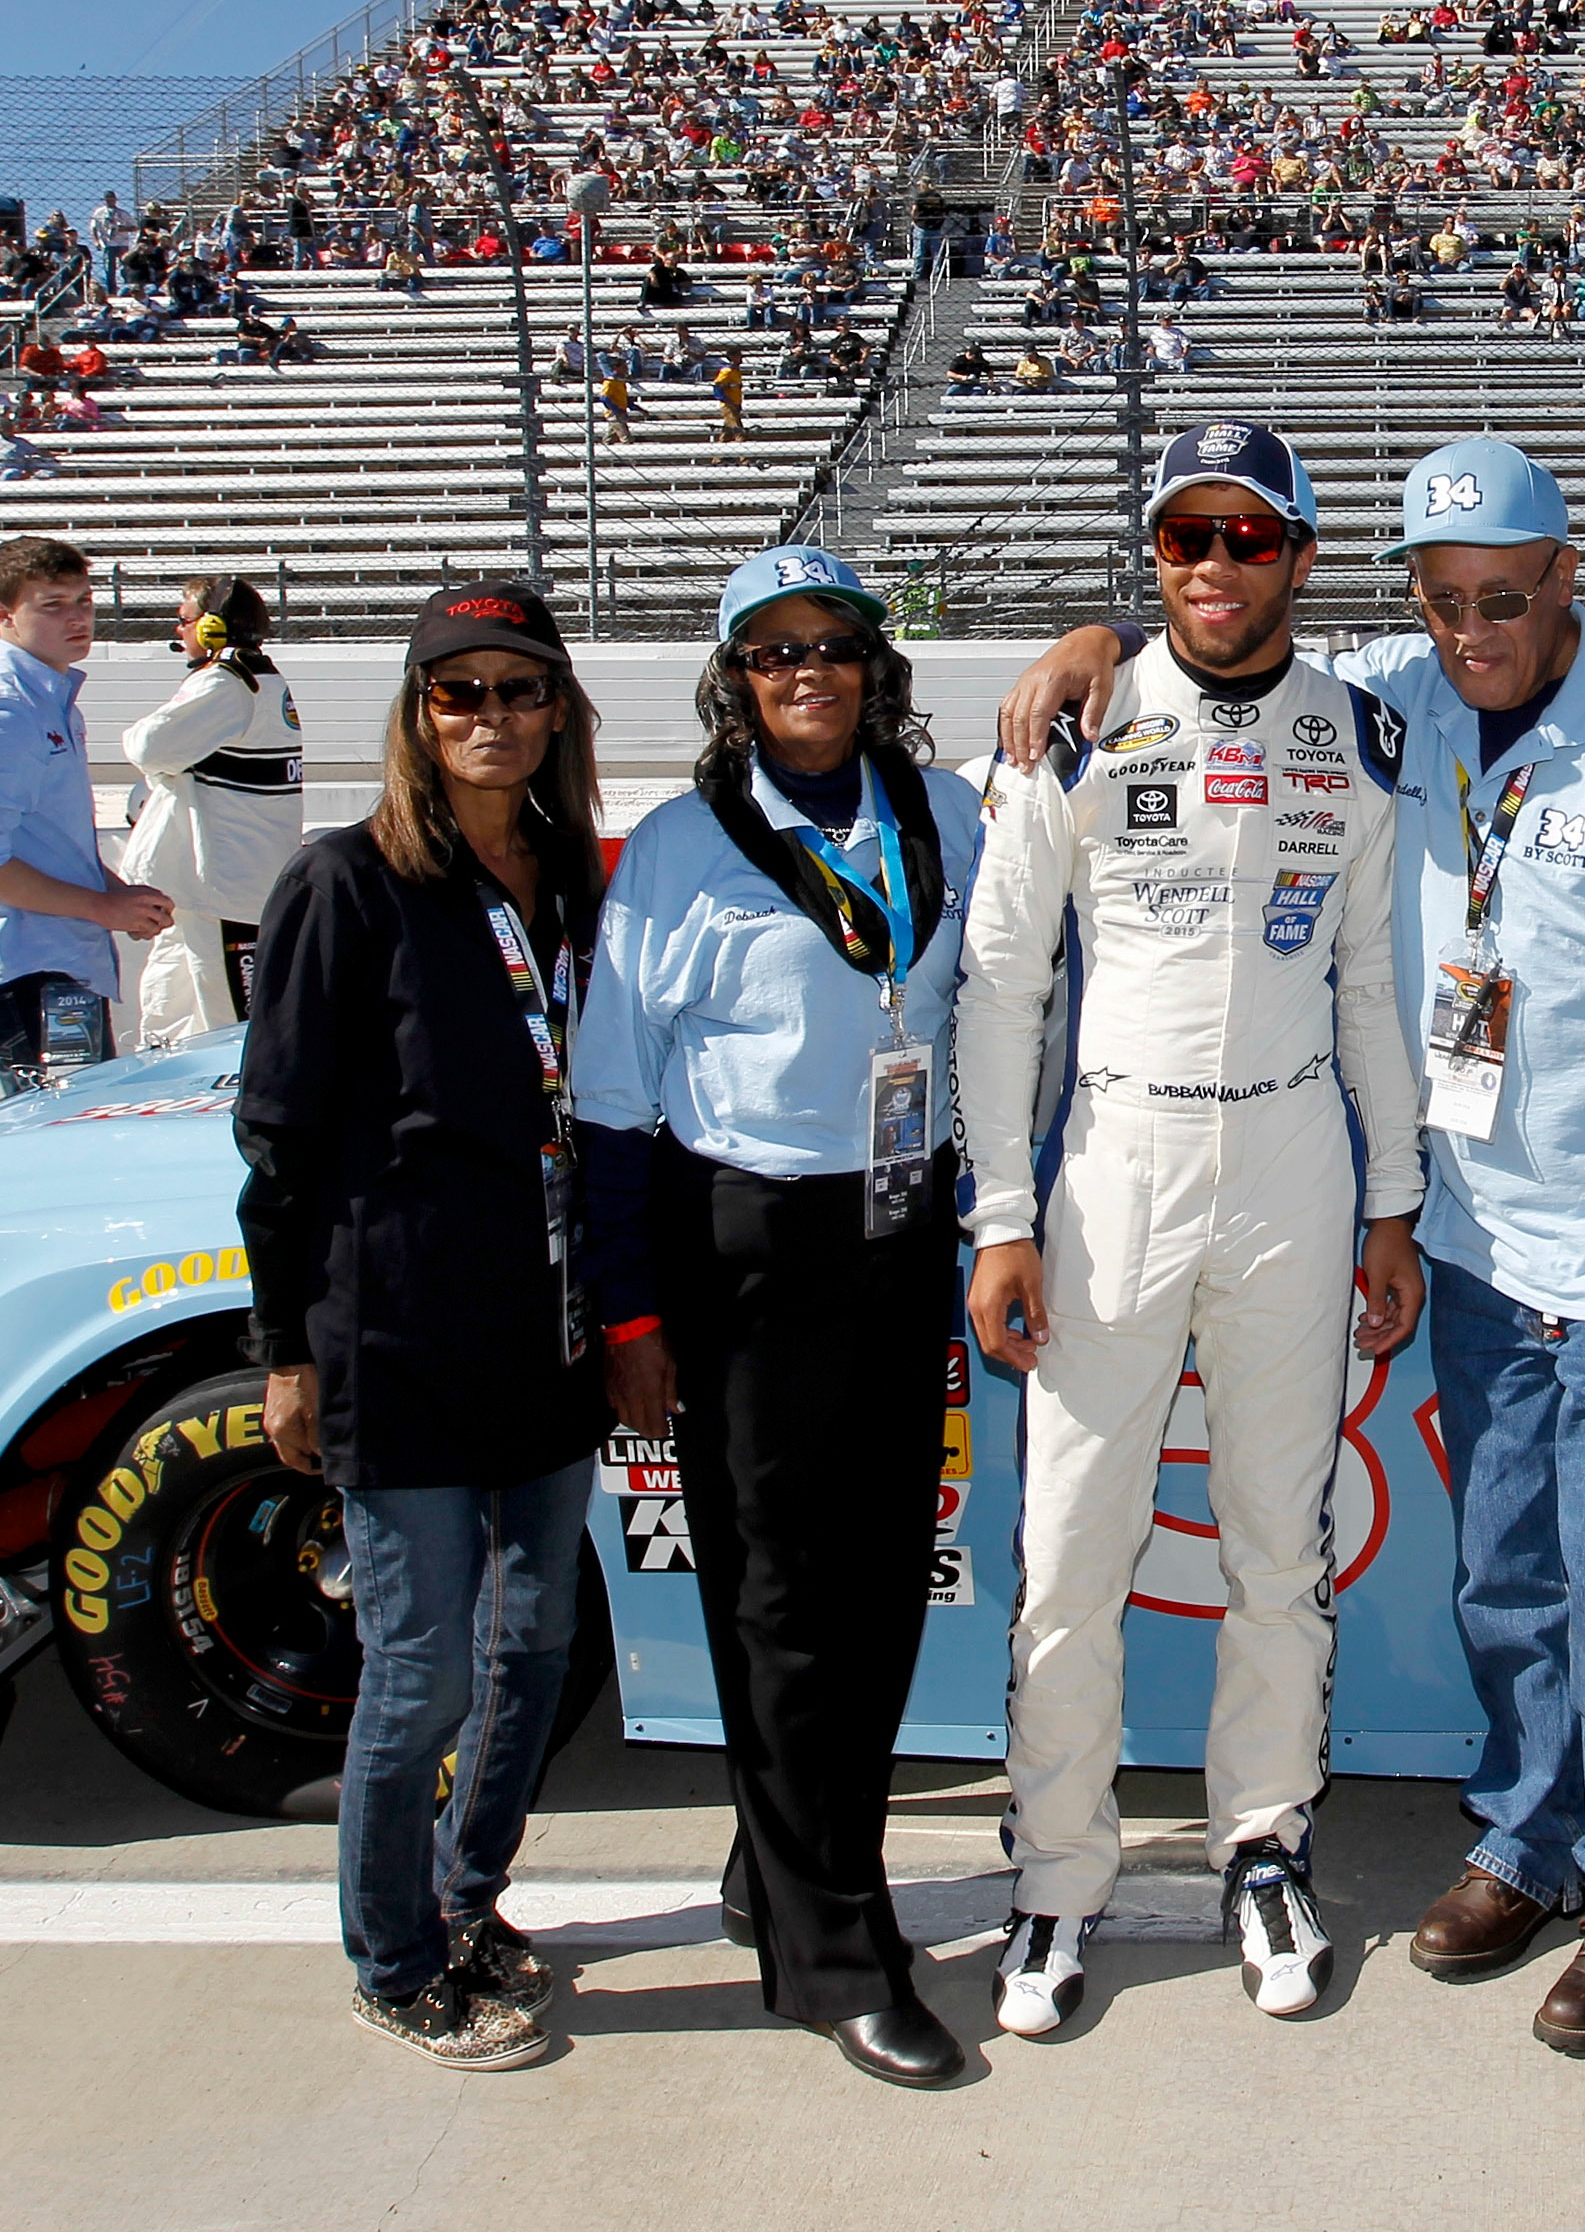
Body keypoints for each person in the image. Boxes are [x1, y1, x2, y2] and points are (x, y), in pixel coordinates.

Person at [989, 437, 1585, 2060]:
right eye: (1442, 601)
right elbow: (1219, 635)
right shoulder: (1401, 696)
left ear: (1566, 572)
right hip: (1473, 1235)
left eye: (1503, 597)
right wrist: (1098, 640)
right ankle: (1528, 1835)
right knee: (1509, 1574)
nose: (1472, 632)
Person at [955, 423, 1429, 2041]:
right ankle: (1057, 1874)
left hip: (1294, 1150)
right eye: (1182, 538)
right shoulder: (1080, 720)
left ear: (1299, 552)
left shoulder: (1360, 736)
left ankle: (1264, 1839)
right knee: (1073, 1547)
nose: (1211, 566)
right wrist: (1003, 1213)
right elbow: (1002, 982)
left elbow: (1372, 983)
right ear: (1153, 556)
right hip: (1115, 1152)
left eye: (1245, 535)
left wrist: (1393, 1202)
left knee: (1275, 1544)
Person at [569, 545, 985, 2091]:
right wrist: (629, 1310)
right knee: (781, 1602)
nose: (802, 672)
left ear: (877, 665)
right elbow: (611, 1104)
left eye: (831, 645)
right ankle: (825, 1949)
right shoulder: (681, 846)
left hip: (897, 1226)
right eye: (769, 653)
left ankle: (788, 1849)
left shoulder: (946, 816)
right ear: (735, 683)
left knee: (879, 1585)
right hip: (742, 1247)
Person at [235, 579, 612, 2074]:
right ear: (416, 715)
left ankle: (468, 1898)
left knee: (535, 1643)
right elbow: (281, 1142)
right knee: (422, 1670)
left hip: (550, 1326)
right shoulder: (347, 879)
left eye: (521, 691)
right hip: (397, 1336)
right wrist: (287, 1350)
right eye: (460, 691)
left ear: (560, 713)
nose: (492, 717)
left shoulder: (575, 869)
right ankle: (391, 1954)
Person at [0, 537, 173, 1095]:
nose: (77, 617)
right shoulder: (3, 708)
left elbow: (46, 842)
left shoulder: (47, 698)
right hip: (24, 967)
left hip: (53, 959)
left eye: (84, 601)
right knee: (61, 1140)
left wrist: (118, 898)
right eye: (53, 604)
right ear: (2, 614)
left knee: (72, 1135)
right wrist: (101, 905)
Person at [118, 577, 305, 1047]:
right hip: (201, 897)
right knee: (169, 1027)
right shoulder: (255, 679)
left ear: (212, 627)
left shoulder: (227, 683)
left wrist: (163, 771)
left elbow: (147, 745)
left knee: (229, 1036)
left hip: (225, 896)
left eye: (183, 620)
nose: (178, 632)